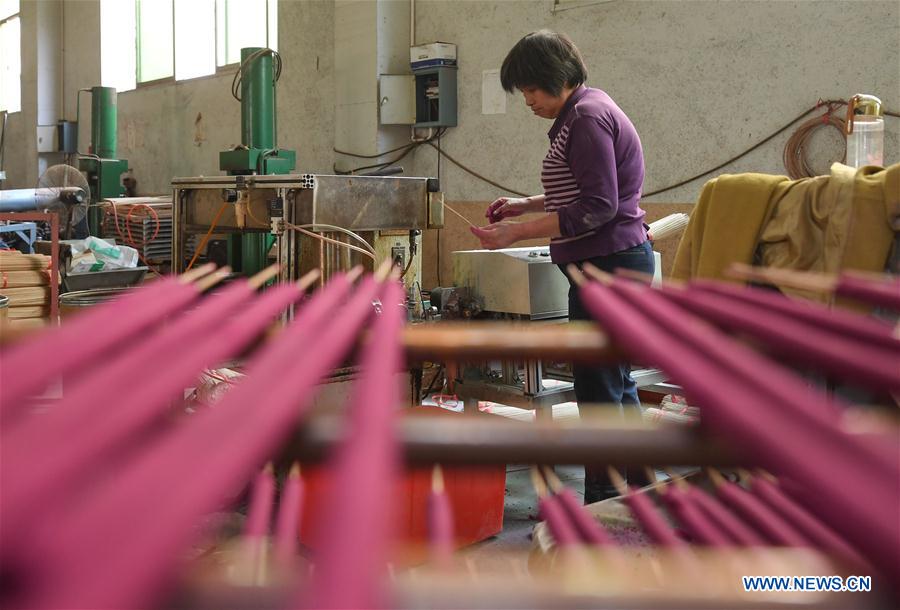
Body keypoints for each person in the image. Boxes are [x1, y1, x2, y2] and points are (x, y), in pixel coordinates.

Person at [470, 30, 654, 504]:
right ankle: (638, 490)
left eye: (530, 89)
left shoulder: (587, 118)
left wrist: (518, 232)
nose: (527, 101)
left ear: (554, 77)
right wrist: (522, 205)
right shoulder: (585, 110)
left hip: (607, 266)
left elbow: (597, 206)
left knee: (598, 390)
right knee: (616, 384)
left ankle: (600, 503)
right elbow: (579, 190)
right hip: (610, 263)